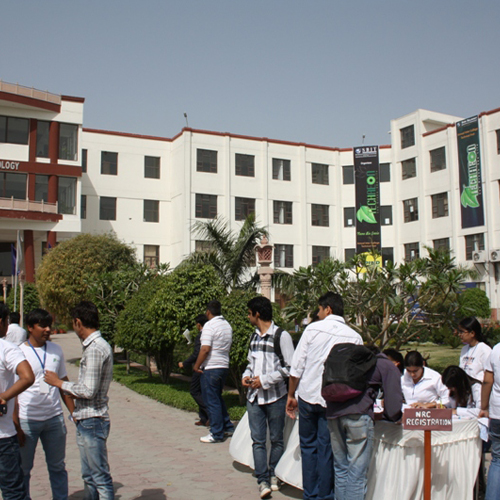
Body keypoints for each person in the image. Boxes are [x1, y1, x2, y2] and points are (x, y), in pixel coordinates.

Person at [286, 292, 363, 500]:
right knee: (327, 448)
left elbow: (296, 368)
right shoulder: (354, 337)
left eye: (319, 310)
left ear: (328, 309)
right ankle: (325, 494)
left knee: (308, 446)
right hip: (335, 400)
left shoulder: (312, 330)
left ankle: (310, 494)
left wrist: (291, 394)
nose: (318, 314)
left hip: (308, 395)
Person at [45, 301, 114, 499]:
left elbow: (88, 390)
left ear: (78, 322)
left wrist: (59, 383)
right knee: (89, 476)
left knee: (99, 476)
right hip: (87, 418)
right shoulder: (95, 346)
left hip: (93, 419)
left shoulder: (95, 349)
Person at [326, 349, 403, 500]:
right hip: (358, 416)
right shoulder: (386, 365)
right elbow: (394, 407)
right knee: (357, 472)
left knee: (341, 468)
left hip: (333, 414)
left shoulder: (349, 361)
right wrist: (393, 416)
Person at [14, 308, 75, 499]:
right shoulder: (19, 353)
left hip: (54, 419)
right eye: (42, 325)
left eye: (49, 325)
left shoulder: (56, 350)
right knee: (23, 469)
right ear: (30, 327)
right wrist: (16, 424)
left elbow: (62, 382)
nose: (48, 329)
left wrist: (74, 413)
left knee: (58, 467)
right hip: (27, 420)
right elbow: (13, 390)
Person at [243, 296, 294, 499]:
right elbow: (250, 363)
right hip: (254, 397)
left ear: (257, 314)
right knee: (258, 440)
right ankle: (262, 480)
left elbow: (290, 368)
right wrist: (246, 376)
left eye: (249, 313)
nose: (248, 317)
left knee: (276, 439)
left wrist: (264, 380)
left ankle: (275, 474)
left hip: (275, 397)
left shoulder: (281, 336)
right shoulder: (254, 337)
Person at [0, 303, 35, 499]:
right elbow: (27, 377)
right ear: (1, 322)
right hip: (4, 437)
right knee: (13, 492)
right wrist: (4, 397)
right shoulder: (6, 349)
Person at [193, 300, 235, 443]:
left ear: (208, 312)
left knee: (211, 401)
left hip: (211, 367)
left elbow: (205, 349)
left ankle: (216, 433)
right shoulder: (227, 325)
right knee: (217, 397)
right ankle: (227, 426)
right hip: (223, 366)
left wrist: (197, 366)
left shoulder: (209, 326)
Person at [178, 314, 209, 426]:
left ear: (199, 325)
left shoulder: (201, 335)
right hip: (205, 366)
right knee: (201, 391)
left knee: (194, 391)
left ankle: (209, 412)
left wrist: (185, 363)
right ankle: (204, 418)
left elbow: (197, 353)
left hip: (199, 367)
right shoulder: (208, 334)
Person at [480, 341, 500, 500]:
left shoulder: (497, 349)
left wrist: (484, 406)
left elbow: (487, 380)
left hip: (497, 411)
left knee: (497, 460)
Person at [457, 317, 491, 408]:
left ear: (472, 333)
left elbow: (489, 375)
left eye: (462, 332)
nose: (459, 334)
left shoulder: (484, 350)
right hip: (465, 392)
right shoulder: (464, 349)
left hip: (479, 392)